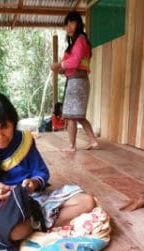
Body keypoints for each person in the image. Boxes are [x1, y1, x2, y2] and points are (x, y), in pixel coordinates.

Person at [0, 90, 96, 251]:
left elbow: (41, 173)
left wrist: (34, 184)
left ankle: (36, 225)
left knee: (87, 201)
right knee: (16, 230)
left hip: (33, 201)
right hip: (0, 210)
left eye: (4, 126)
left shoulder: (24, 141)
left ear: (12, 121)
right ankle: (41, 224)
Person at [50, 11, 98, 152]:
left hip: (77, 82)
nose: (69, 27)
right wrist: (61, 69)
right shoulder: (78, 42)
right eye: (67, 24)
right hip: (78, 81)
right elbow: (72, 64)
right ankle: (93, 140)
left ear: (78, 24)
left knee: (71, 115)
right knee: (78, 115)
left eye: (72, 23)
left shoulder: (80, 40)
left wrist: (59, 65)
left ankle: (71, 145)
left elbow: (75, 61)